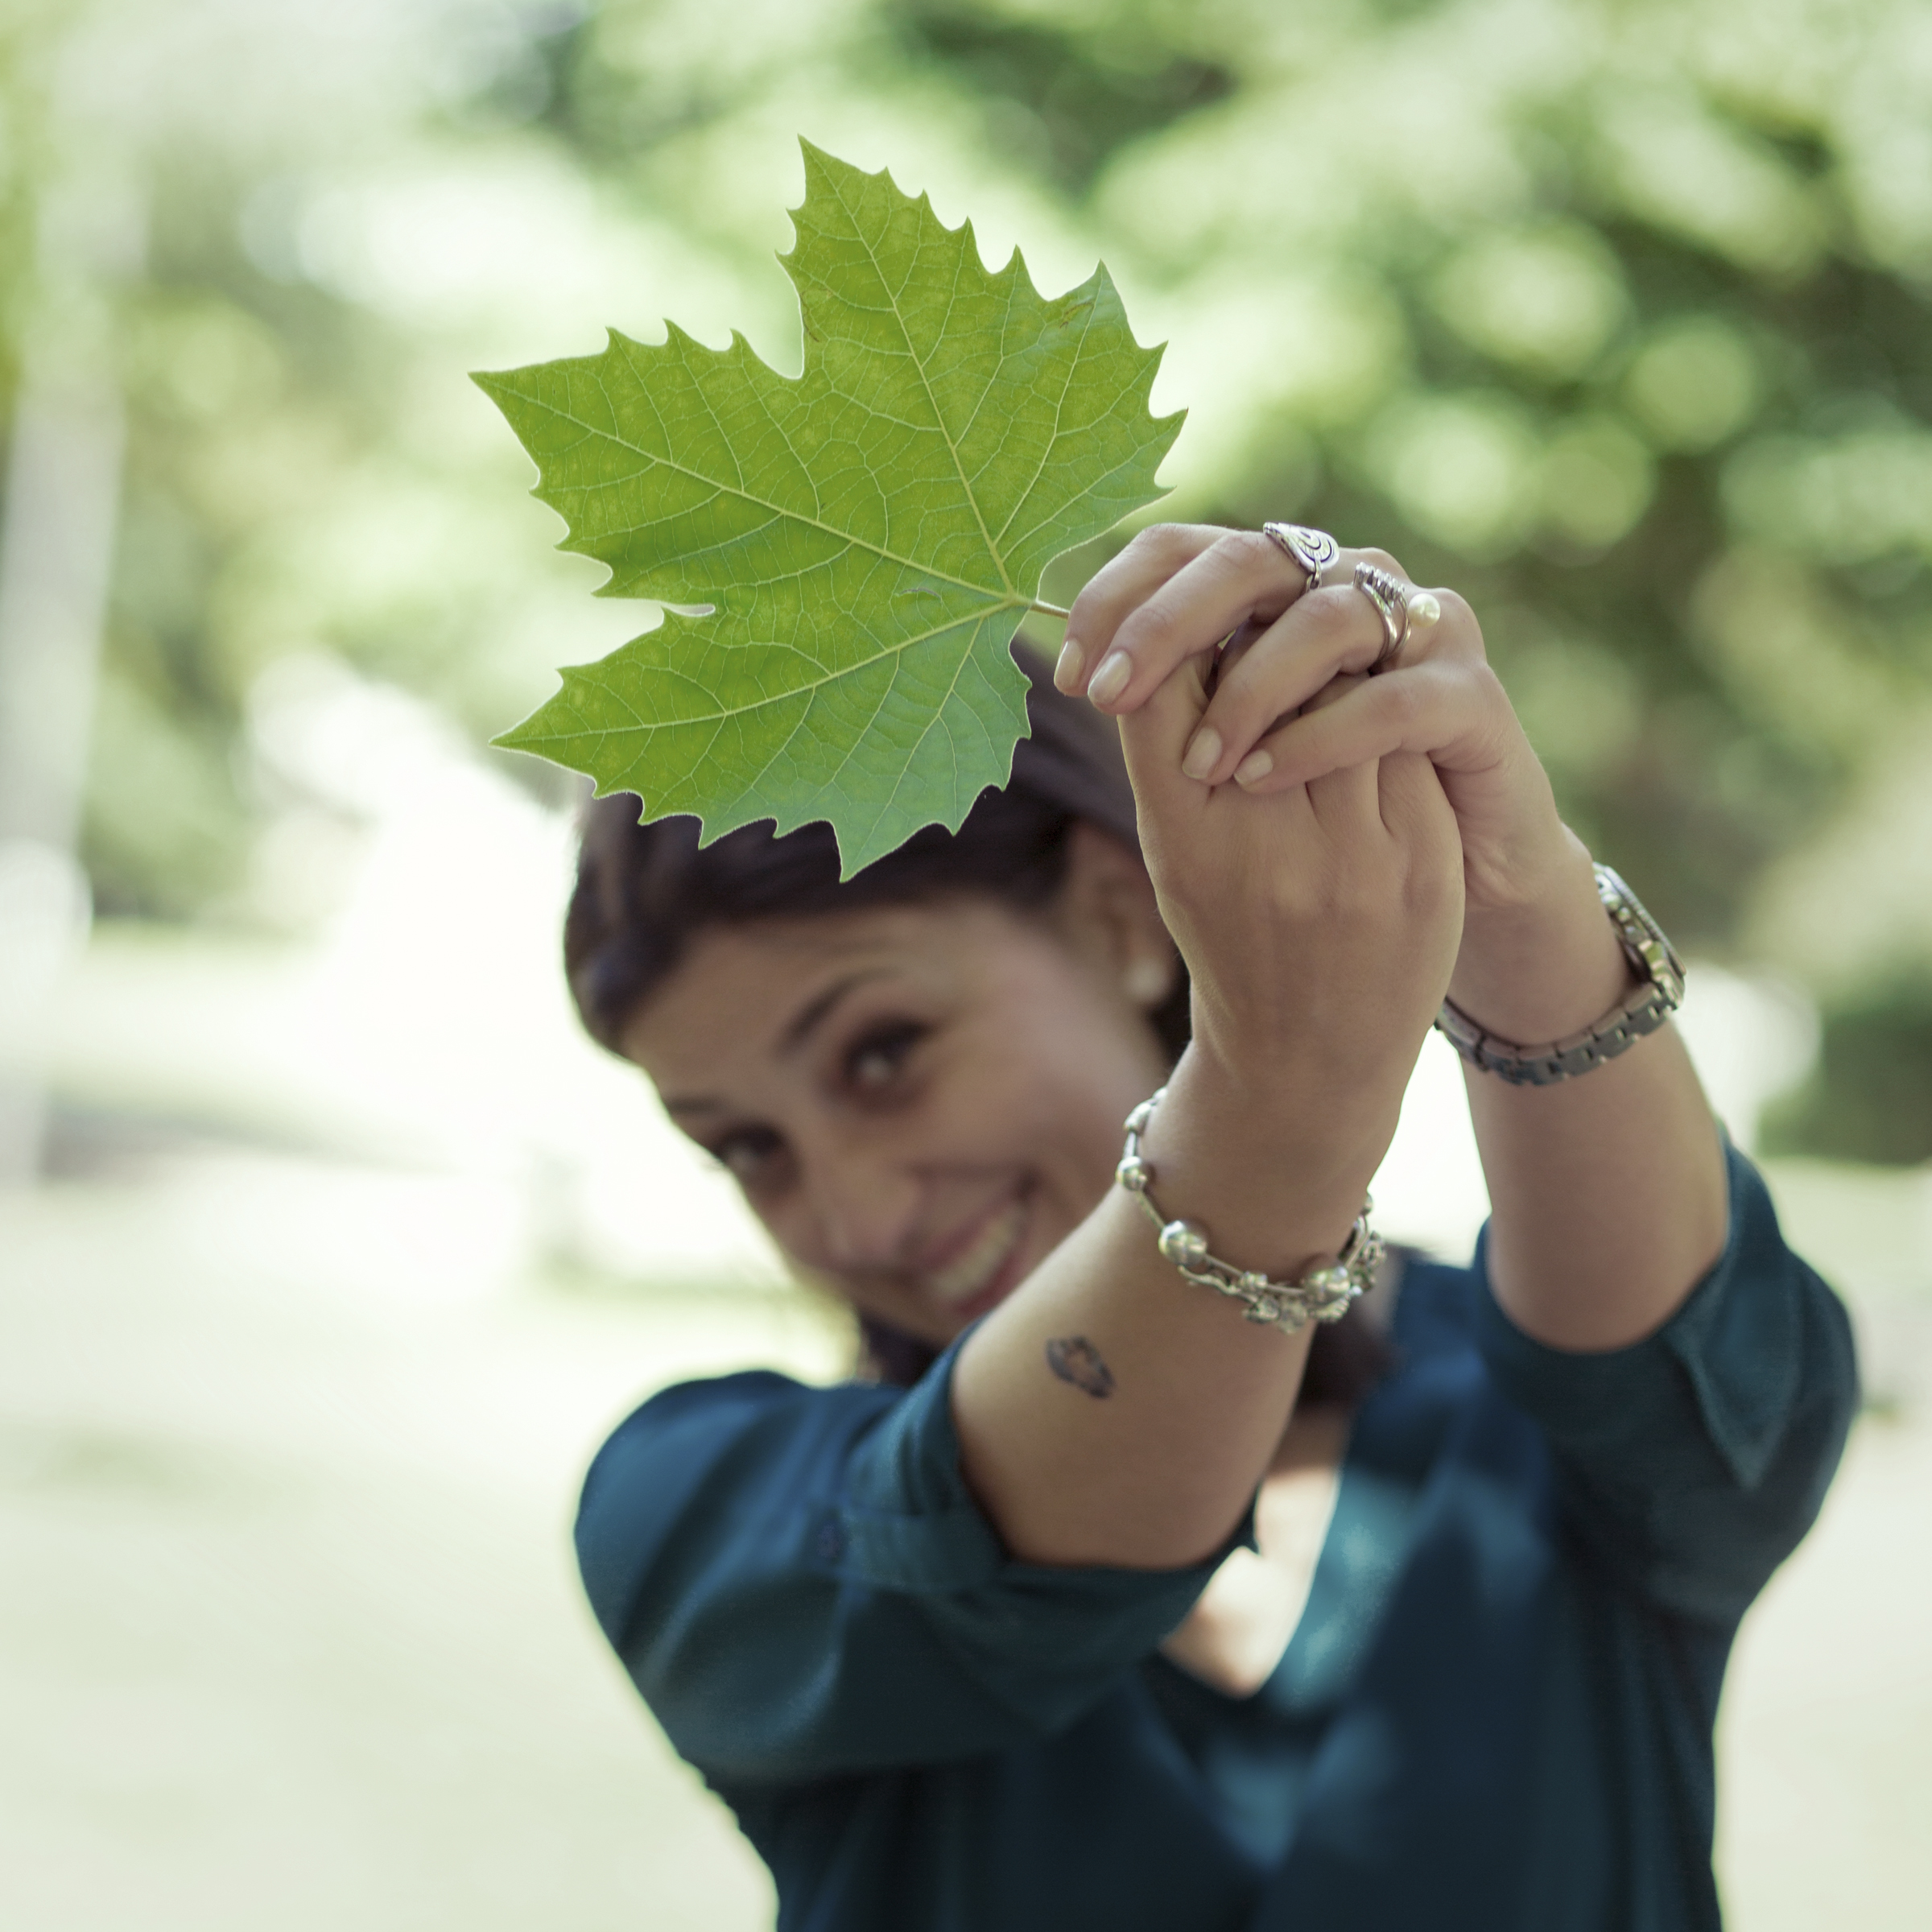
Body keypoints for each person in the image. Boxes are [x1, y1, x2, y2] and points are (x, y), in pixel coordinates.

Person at [563, 525, 1856, 1932]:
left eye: (884, 1054)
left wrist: (1518, 892)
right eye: (745, 1147)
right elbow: (1008, 1548)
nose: (856, 1213)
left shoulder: (1525, 1421)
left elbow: (1708, 1373)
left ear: (1120, 912)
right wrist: (1279, 1091)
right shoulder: (717, 1531)